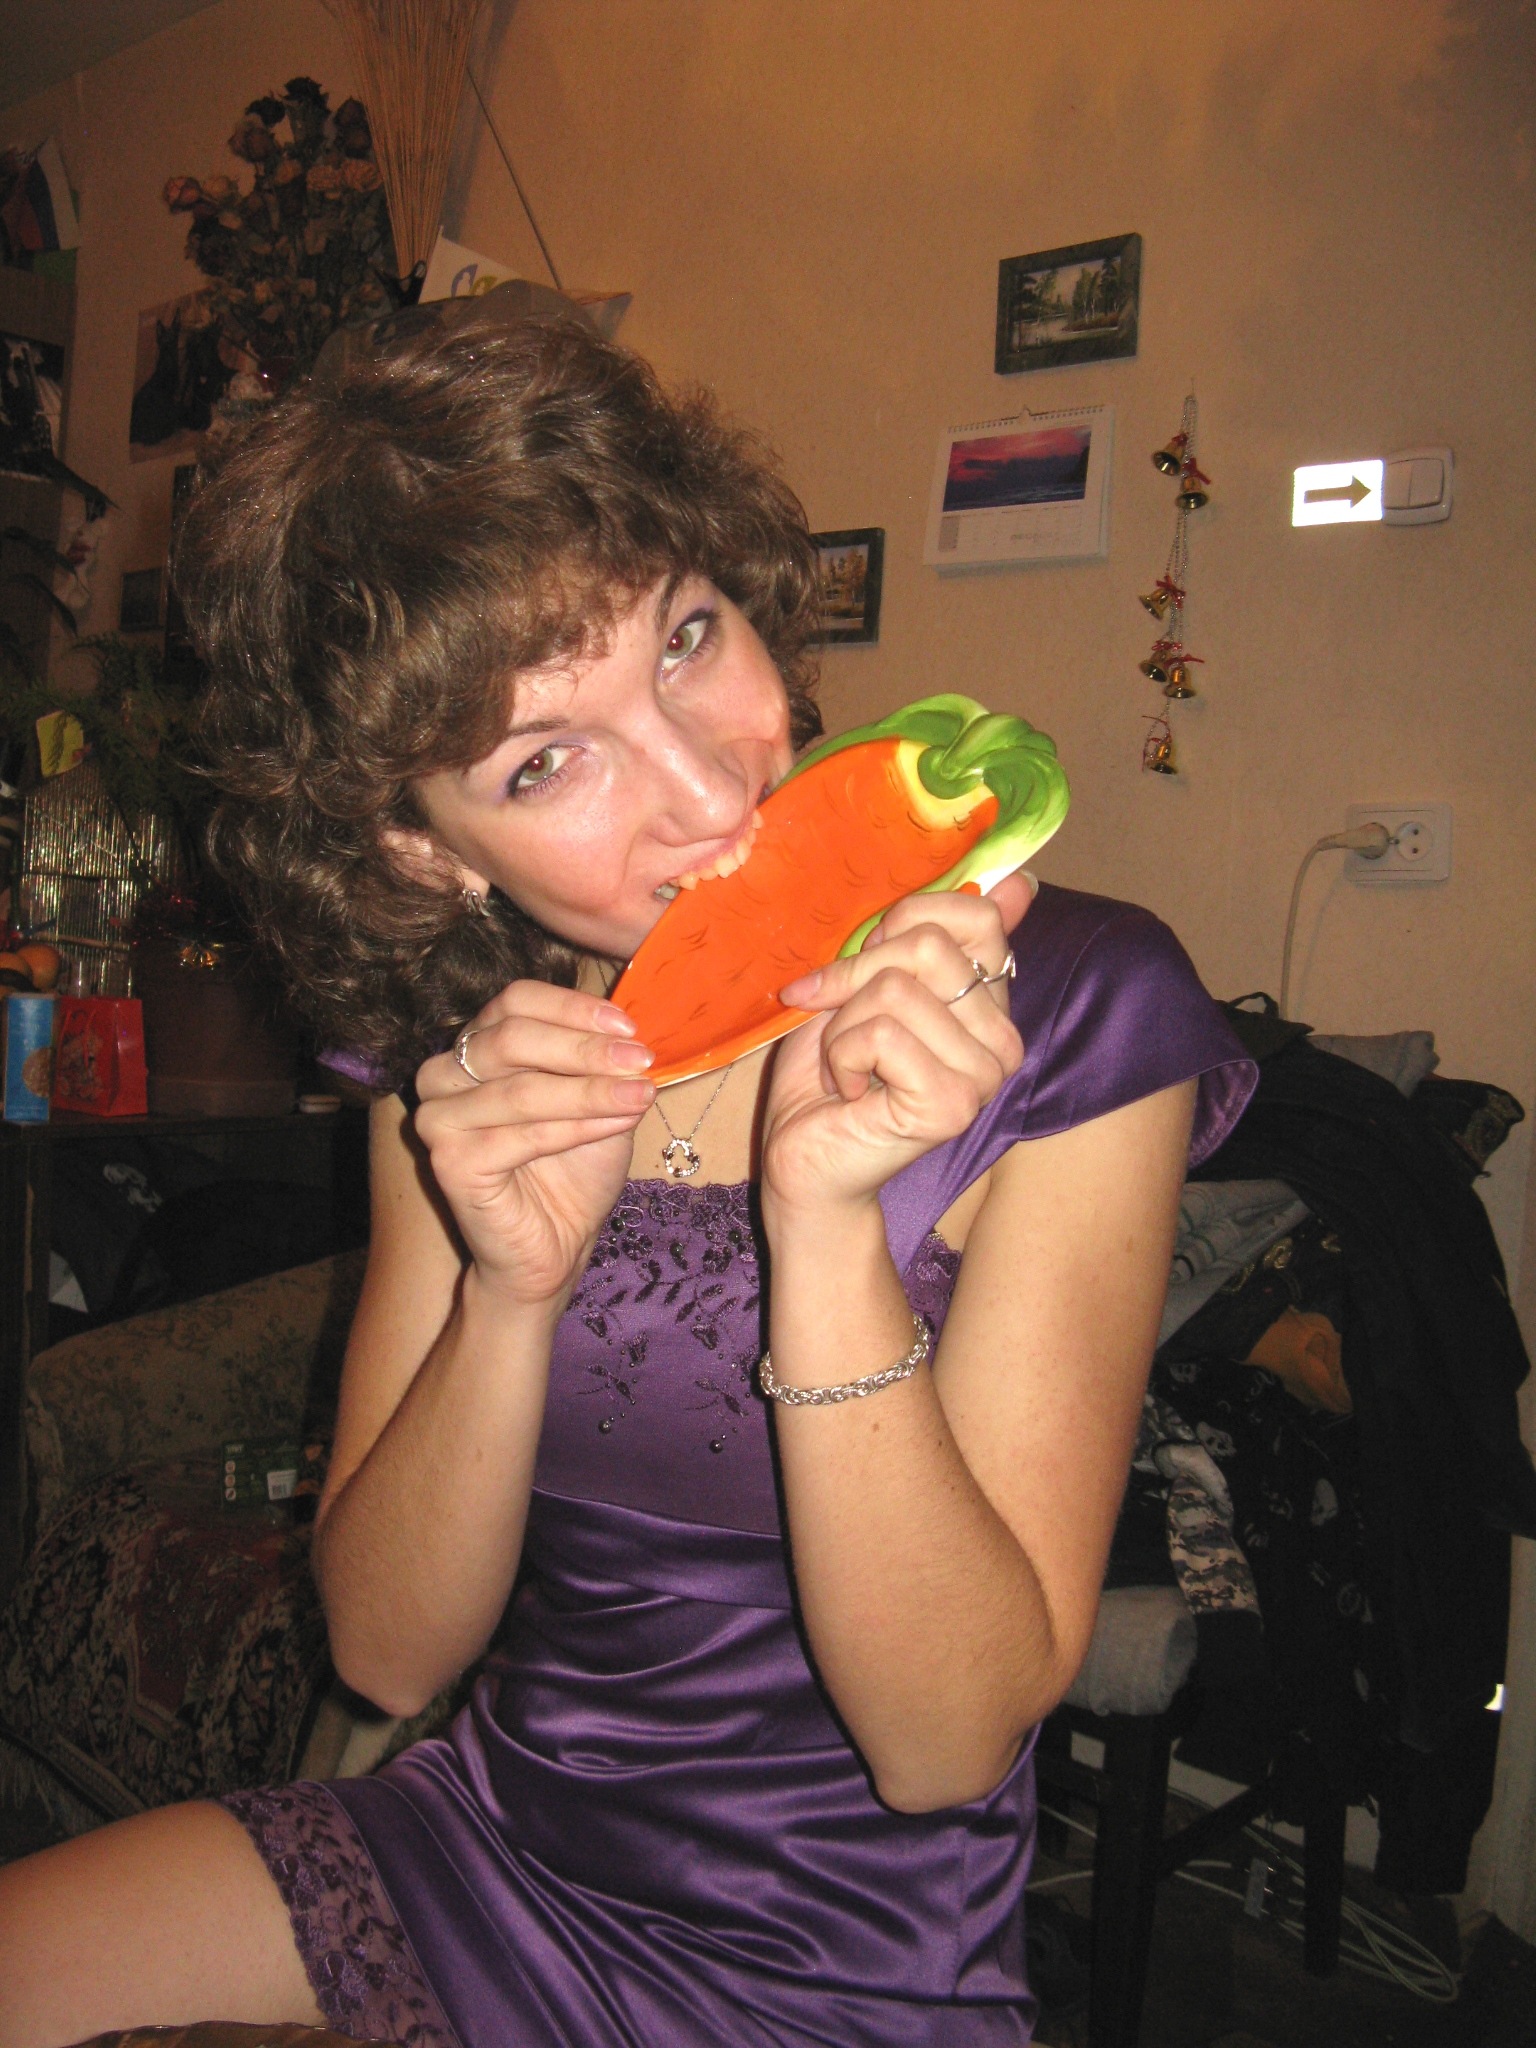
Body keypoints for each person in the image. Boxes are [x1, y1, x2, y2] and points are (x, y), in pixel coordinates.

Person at [0, 318, 1255, 2048]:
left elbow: (945, 1744)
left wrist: (826, 1232)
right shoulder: (464, 1059)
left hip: (840, 1962)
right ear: (417, 848)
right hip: (482, 1841)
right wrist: (508, 1293)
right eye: (543, 761)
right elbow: (387, 1654)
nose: (706, 790)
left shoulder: (1078, 1011)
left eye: (685, 637)